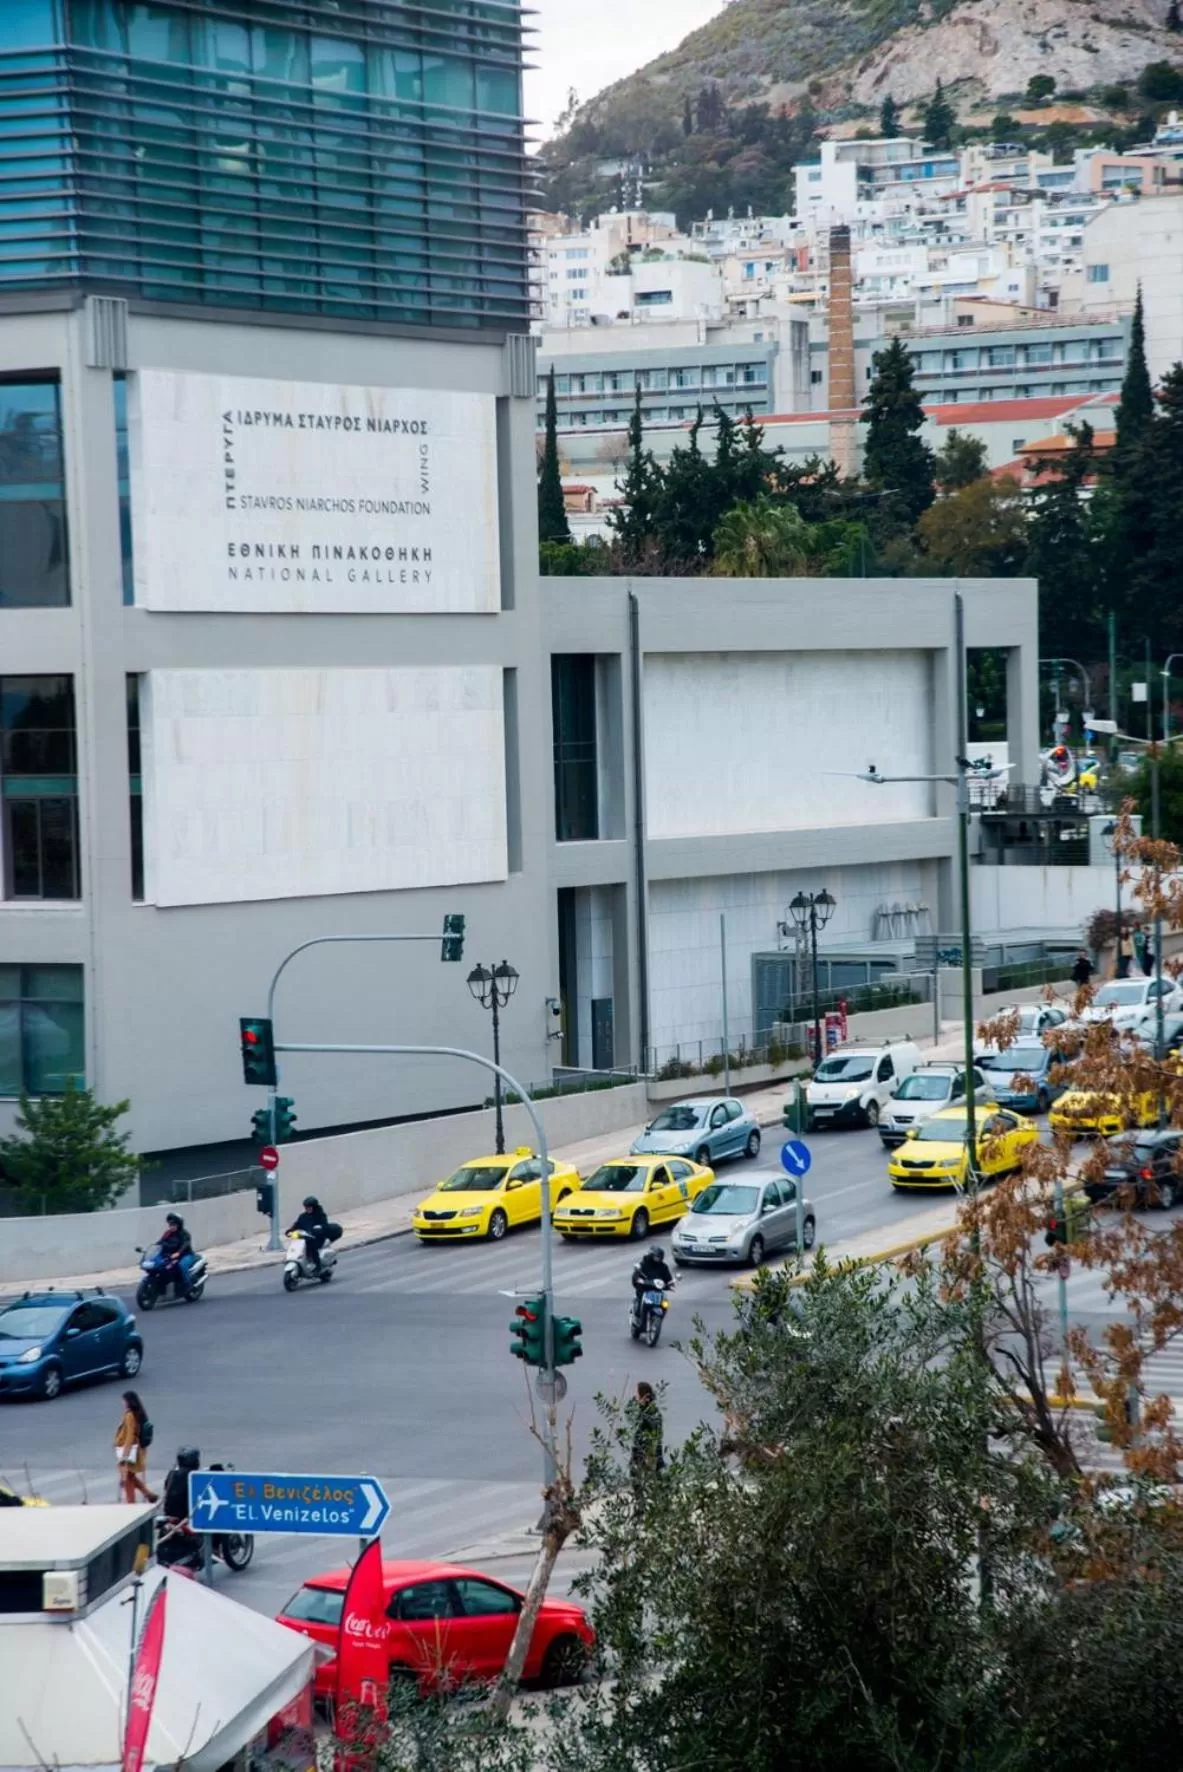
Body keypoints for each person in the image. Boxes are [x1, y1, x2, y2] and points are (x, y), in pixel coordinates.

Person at [115, 1390, 156, 1505]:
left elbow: (130, 1435)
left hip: (130, 1451)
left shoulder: (129, 1415)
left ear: (128, 1402)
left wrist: (125, 1455)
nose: (123, 1404)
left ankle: (131, 1503)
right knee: (131, 1475)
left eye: (124, 1401)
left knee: (127, 1477)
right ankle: (149, 1494)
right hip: (138, 1450)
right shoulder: (139, 1413)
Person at [629, 1381, 665, 1489]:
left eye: (636, 1394)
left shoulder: (650, 1413)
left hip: (647, 1453)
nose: (635, 1397)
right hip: (645, 1453)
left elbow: (648, 1431)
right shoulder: (651, 1412)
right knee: (644, 1483)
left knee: (642, 1483)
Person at [630, 1244, 674, 1330]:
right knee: (640, 1300)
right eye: (656, 1257)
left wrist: (670, 1284)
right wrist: (638, 1280)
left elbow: (668, 1279)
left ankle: (659, 1320)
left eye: (660, 1257)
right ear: (651, 1255)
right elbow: (636, 1275)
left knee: (665, 1303)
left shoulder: (663, 1267)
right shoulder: (643, 1264)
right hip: (644, 1289)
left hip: (657, 1290)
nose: (658, 1259)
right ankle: (637, 1318)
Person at [288, 1195, 330, 1272]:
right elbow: (297, 1224)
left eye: (310, 1207)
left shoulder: (320, 1215)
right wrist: (290, 1231)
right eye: (306, 1207)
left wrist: (317, 1230)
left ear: (315, 1207)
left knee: (311, 1245)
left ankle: (318, 1266)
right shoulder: (303, 1216)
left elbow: (324, 1226)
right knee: (297, 1244)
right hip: (305, 1237)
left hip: (317, 1238)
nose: (308, 1208)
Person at [159, 1212, 195, 1291]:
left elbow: (185, 1245)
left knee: (182, 1265)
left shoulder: (185, 1234)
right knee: (160, 1266)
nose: (171, 1227)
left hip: (186, 1255)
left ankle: (187, 1285)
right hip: (170, 1255)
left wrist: (178, 1253)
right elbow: (160, 1242)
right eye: (170, 1225)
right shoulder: (167, 1233)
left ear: (178, 1225)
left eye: (173, 1225)